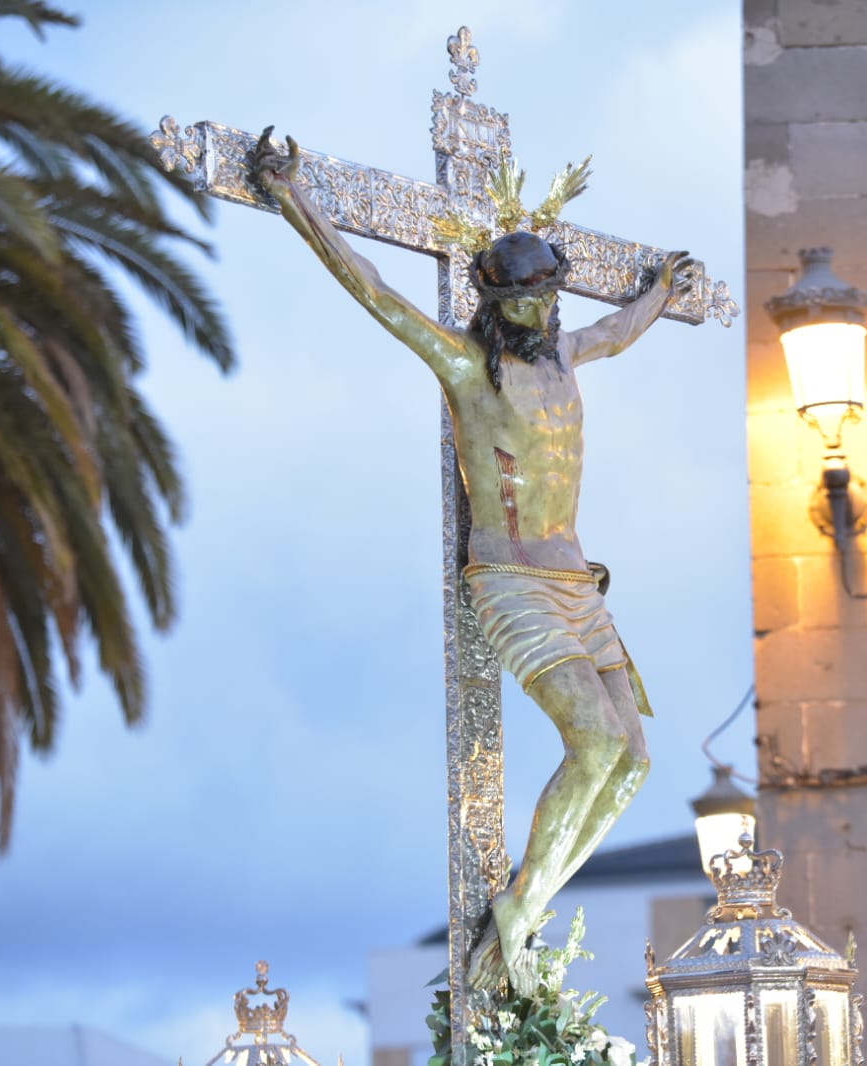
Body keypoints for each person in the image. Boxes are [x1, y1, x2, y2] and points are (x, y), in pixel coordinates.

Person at [250, 129, 694, 990]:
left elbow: (616, 331)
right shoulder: (463, 367)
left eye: (547, 298)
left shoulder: (564, 351)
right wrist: (294, 198)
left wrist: (660, 294)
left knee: (633, 761)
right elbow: (373, 290)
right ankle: (520, 909)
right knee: (596, 741)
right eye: (523, 303)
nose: (540, 314)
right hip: (513, 579)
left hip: (577, 581)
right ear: (493, 302)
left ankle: (526, 906)